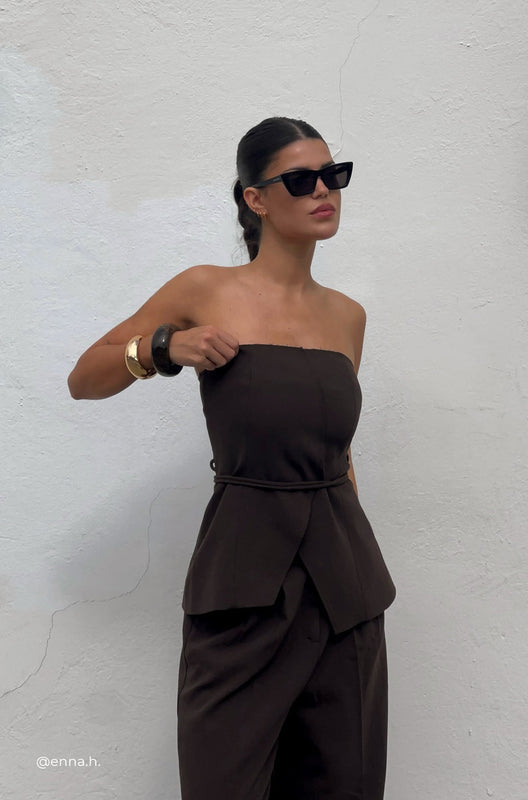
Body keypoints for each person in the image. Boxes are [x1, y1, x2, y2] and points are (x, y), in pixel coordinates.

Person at [68, 116, 397, 800]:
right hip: (242, 584)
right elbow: (84, 378)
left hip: (345, 593)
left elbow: (337, 453)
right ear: (255, 199)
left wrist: (355, 565)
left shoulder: (348, 317)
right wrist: (162, 348)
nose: (323, 191)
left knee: (345, 784)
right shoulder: (204, 289)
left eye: (333, 175)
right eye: (300, 180)